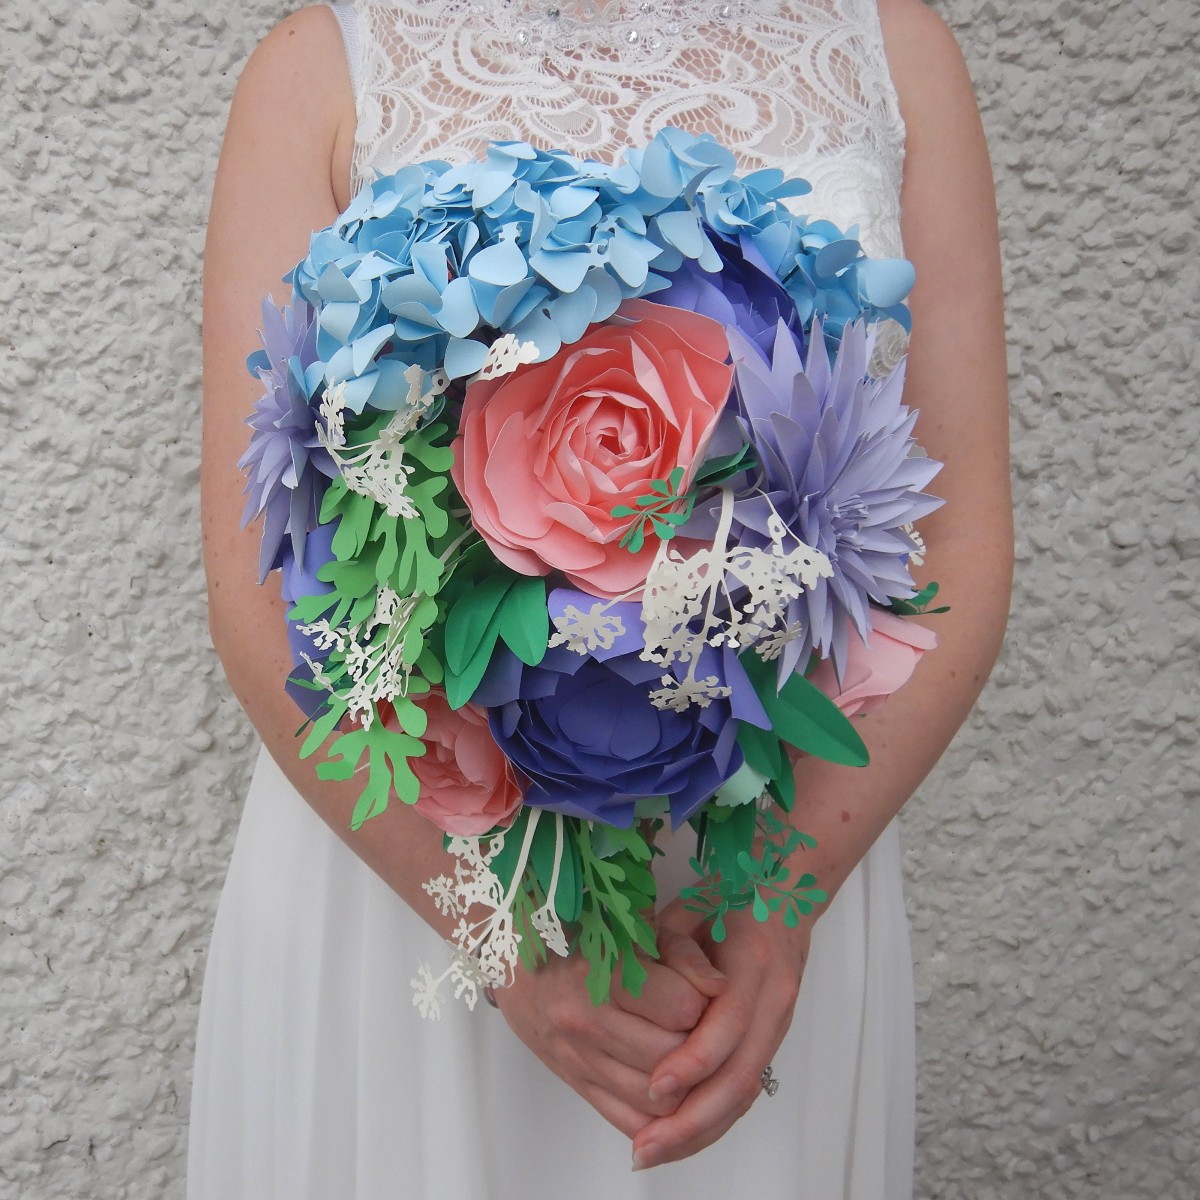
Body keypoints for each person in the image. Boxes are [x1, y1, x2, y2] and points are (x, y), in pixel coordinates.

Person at [193, 1, 1011, 1196]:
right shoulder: (323, 60)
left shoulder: (893, 48)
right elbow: (255, 581)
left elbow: (958, 542)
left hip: (765, 870)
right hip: (424, 863)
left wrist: (771, 908)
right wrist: (508, 939)